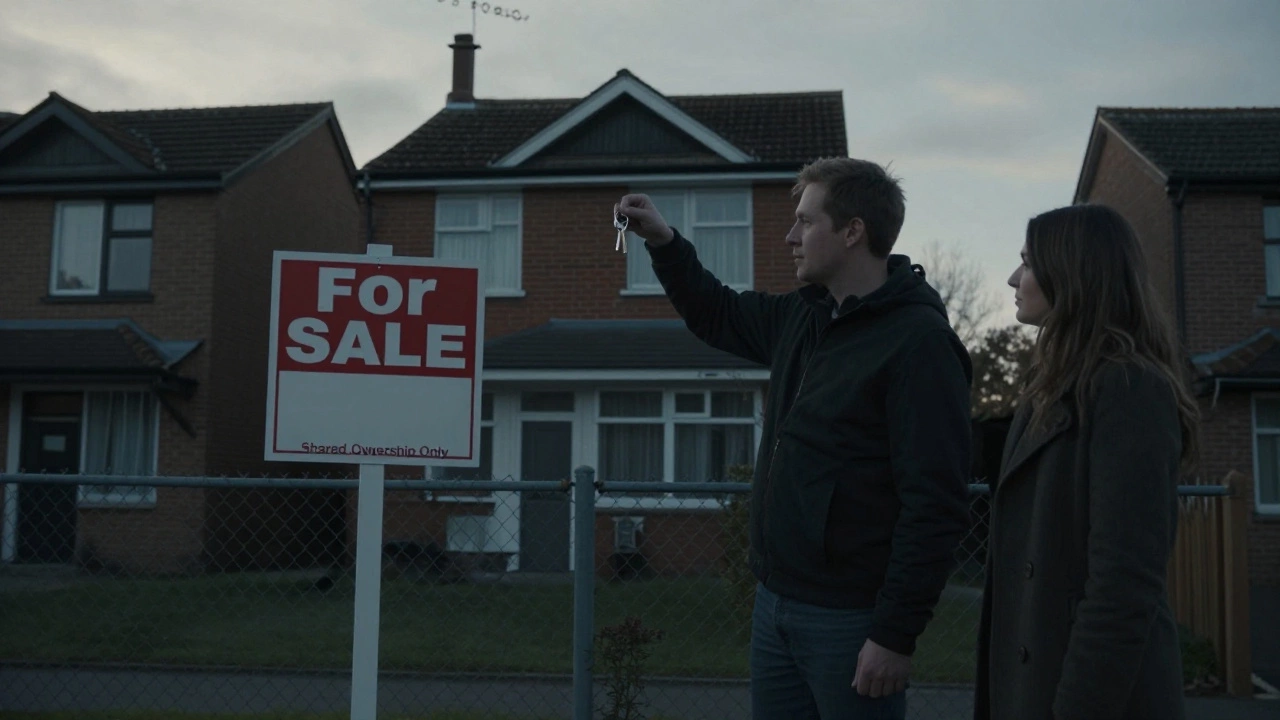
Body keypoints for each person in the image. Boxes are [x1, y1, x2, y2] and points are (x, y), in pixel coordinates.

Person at [616, 157, 973, 720]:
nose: (790, 237)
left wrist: (895, 634)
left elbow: (936, 503)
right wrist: (664, 242)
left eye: (806, 222)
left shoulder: (918, 343)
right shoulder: (802, 320)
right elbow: (717, 312)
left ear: (853, 231)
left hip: (851, 622)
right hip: (775, 603)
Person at [975, 203, 1199, 720]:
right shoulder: (1046, 391)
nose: (1014, 277)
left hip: (1093, 694)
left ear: (1071, 274)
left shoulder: (1129, 389)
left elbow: (1123, 585)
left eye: (1027, 263)